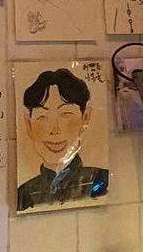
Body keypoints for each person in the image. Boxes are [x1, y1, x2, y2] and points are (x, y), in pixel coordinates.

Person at [17, 68, 109, 211]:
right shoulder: (23, 194)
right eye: (42, 117)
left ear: (85, 118)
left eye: (65, 114)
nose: (54, 130)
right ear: (28, 125)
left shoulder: (101, 180)